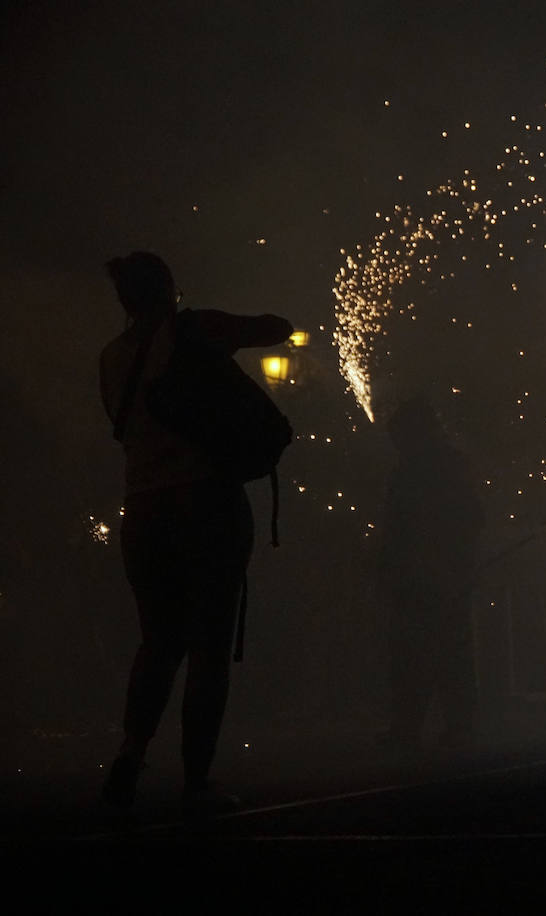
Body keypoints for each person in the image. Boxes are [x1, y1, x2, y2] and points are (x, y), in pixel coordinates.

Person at [98, 251, 292, 814]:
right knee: (209, 645)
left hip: (143, 508)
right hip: (204, 500)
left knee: (158, 641)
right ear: (167, 289)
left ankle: (129, 761)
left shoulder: (110, 358)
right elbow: (276, 329)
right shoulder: (193, 330)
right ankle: (195, 781)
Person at [375, 394, 484, 751]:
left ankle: (416, 726)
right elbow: (471, 520)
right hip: (437, 573)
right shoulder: (448, 465)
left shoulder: (413, 470)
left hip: (428, 573)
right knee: (444, 653)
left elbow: (399, 526)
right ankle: (455, 726)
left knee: (417, 654)